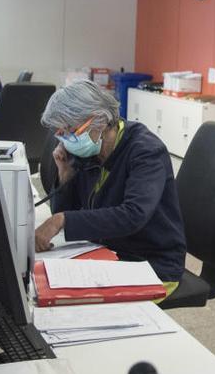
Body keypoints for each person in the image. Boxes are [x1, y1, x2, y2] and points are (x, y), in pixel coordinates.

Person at [35, 80, 186, 297]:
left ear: (100, 120)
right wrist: (65, 175)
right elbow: (65, 211)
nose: (67, 139)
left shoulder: (145, 151)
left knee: (77, 305)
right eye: (62, 133)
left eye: (71, 130)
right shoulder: (88, 152)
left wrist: (62, 220)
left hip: (150, 263)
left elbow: (133, 215)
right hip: (107, 251)